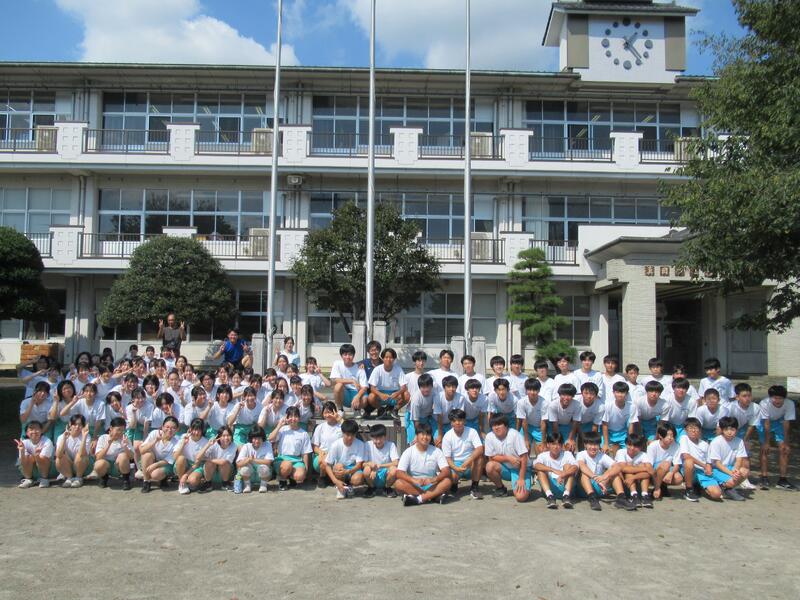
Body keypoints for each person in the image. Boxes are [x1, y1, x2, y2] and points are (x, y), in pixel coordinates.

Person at [394, 422, 452, 506]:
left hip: (432, 484)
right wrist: (414, 480)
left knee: (447, 481)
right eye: (422, 434)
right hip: (414, 484)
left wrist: (433, 479)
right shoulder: (408, 451)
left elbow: (446, 471)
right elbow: (399, 473)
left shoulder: (437, 451)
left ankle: (418, 499)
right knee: (398, 483)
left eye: (428, 434)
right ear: (416, 436)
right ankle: (433, 495)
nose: (425, 437)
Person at [576, 431, 630, 511]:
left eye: (596, 444)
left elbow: (617, 467)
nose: (593, 447)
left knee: (614, 473)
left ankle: (621, 498)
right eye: (590, 444)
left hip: (601, 486)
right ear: (585, 445)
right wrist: (595, 478)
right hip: (584, 489)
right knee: (583, 474)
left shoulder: (602, 455)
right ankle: (592, 498)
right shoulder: (581, 454)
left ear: (599, 445)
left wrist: (605, 476)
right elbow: (582, 466)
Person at [756, 385, 797, 490]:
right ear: (770, 397)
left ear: (784, 398)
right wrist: (766, 442)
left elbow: (786, 423)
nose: (777, 401)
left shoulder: (789, 404)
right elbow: (766, 423)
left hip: (779, 422)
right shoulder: (764, 403)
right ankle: (764, 477)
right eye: (775, 398)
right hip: (764, 422)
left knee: (784, 449)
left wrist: (786, 442)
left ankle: (782, 479)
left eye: (780, 398)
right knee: (764, 449)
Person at [484, 414, 531, 502]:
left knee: (521, 497)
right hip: (506, 468)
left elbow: (524, 457)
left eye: (499, 424)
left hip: (521, 468)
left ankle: (526, 484)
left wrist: (521, 478)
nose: (496, 428)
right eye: (494, 425)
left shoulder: (515, 435)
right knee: (489, 466)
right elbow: (491, 457)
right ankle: (501, 488)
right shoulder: (489, 436)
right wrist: (508, 458)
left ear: (506, 425)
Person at [441, 409, 484, 499]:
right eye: (454, 421)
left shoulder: (472, 431)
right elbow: (447, 458)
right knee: (449, 472)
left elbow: (480, 449)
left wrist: (468, 461)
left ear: (464, 421)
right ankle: (454, 485)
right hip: (455, 464)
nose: (457, 423)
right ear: (451, 423)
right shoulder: (447, 436)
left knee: (479, 458)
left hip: (470, 463)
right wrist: (456, 468)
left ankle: (474, 487)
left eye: (460, 420)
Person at [706, 416, 750, 501]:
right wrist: (731, 474)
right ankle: (724, 487)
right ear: (722, 430)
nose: (729, 432)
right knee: (731, 481)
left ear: (736, 430)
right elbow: (717, 463)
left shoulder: (739, 441)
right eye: (726, 430)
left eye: (732, 429)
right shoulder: (716, 441)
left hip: (730, 467)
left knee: (745, 471)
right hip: (716, 469)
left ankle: (728, 488)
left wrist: (736, 470)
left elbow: (739, 459)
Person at [269, 406, 313, 490]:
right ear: (287, 417)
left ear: (299, 418)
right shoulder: (282, 430)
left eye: (295, 416)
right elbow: (270, 438)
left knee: (300, 476)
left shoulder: (303, 434)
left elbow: (305, 453)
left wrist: (306, 469)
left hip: (297, 460)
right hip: (282, 459)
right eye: (290, 416)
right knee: (287, 466)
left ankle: (291, 477)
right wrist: (279, 425)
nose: (293, 419)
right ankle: (282, 479)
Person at [533, 431, 578, 509]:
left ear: (562, 445)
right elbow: (536, 465)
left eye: (559, 444)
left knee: (568, 466)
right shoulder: (543, 455)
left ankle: (566, 496)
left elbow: (576, 467)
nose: (556, 447)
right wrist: (553, 470)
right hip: (550, 486)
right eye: (553, 444)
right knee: (540, 471)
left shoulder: (567, 454)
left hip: (565, 485)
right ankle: (550, 497)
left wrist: (563, 474)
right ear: (548, 445)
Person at [324, 419, 366, 499]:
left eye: (353, 435)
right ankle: (340, 487)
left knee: (358, 479)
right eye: (347, 435)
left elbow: (359, 465)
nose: (350, 438)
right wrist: (335, 481)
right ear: (343, 433)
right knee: (339, 466)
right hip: (341, 468)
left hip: (353, 468)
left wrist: (348, 471)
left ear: (356, 434)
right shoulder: (335, 444)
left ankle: (350, 487)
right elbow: (327, 465)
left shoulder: (360, 444)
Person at [139, 416, 180, 493]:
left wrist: (155, 465)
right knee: (146, 454)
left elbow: (169, 460)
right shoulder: (154, 433)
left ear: (177, 429)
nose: (170, 430)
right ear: (162, 427)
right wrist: (155, 441)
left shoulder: (177, 441)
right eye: (167, 427)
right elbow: (142, 450)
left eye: (173, 428)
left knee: (155, 475)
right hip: (153, 459)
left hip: (166, 464)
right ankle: (146, 481)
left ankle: (164, 478)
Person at [92, 417, 133, 490]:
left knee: (123, 456)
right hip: (107, 465)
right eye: (118, 430)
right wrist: (109, 444)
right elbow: (98, 457)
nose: (120, 432)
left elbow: (131, 457)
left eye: (123, 430)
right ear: (111, 428)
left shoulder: (125, 439)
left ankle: (126, 480)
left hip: (118, 467)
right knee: (99, 464)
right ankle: (104, 478)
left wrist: (125, 447)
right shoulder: (103, 438)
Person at [615, 432, 654, 508]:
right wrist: (644, 468)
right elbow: (623, 469)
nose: (632, 448)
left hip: (635, 483)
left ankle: (645, 495)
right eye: (630, 445)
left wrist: (633, 477)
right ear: (626, 444)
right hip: (623, 482)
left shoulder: (643, 455)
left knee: (636, 467)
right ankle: (634, 495)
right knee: (630, 468)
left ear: (641, 447)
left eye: (636, 446)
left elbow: (651, 471)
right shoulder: (621, 452)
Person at [365, 348, 407, 418]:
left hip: (394, 394)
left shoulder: (398, 369)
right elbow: (372, 388)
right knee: (371, 397)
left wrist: (397, 393)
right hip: (381, 394)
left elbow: (404, 387)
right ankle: (381, 410)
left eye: (391, 357)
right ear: (382, 358)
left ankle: (395, 410)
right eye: (386, 357)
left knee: (406, 395)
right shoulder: (377, 369)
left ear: (394, 359)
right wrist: (380, 394)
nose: (388, 359)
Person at [646, 422, 683, 499]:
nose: (670, 438)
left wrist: (671, 473)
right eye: (668, 435)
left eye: (672, 435)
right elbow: (649, 465)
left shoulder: (676, 446)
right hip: (654, 471)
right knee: (666, 464)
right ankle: (657, 488)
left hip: (667, 469)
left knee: (679, 478)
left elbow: (677, 464)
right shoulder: (653, 446)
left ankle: (662, 486)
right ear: (660, 436)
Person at [173, 418, 210, 494]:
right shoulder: (184, 437)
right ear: (190, 429)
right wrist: (183, 443)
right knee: (180, 458)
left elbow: (197, 463)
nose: (196, 432)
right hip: (184, 463)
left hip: (197, 465)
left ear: (202, 430)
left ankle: (190, 480)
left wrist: (185, 475)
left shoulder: (205, 442)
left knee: (193, 481)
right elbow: (175, 457)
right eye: (194, 429)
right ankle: (181, 484)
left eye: (199, 430)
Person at [54, 415, 92, 488]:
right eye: (74, 424)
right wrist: (64, 439)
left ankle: (78, 478)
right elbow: (58, 455)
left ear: (83, 426)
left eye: (80, 425)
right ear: (70, 424)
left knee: (80, 455)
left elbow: (82, 453)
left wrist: (84, 436)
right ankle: (69, 478)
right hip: (68, 464)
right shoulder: (61, 436)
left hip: (81, 465)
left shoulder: (87, 436)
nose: (77, 427)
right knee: (59, 458)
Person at [311, 402, 343, 487]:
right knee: (324, 460)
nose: (327, 415)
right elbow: (315, 446)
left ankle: (332, 478)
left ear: (335, 412)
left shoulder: (341, 426)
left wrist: (339, 419)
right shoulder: (320, 427)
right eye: (325, 413)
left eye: (330, 412)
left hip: (338, 456)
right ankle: (322, 477)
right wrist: (321, 452)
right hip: (322, 455)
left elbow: (350, 430)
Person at [363, 423, 399, 498]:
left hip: (385, 473)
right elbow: (363, 463)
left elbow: (396, 462)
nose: (378, 441)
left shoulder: (391, 445)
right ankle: (371, 487)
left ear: (385, 437)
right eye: (375, 439)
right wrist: (370, 465)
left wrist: (379, 466)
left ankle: (387, 488)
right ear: (371, 438)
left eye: (381, 438)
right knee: (366, 469)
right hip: (372, 474)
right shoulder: (367, 444)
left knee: (394, 469)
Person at [15, 420, 55, 488]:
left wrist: (36, 456)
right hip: (32, 470)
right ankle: (28, 479)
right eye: (31, 429)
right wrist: (22, 451)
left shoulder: (47, 441)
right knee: (26, 457)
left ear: (41, 431)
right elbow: (23, 462)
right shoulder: (24, 443)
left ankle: (44, 479)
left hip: (49, 470)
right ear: (27, 433)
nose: (34, 431)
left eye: (37, 429)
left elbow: (44, 459)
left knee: (43, 458)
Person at [330, 343, 369, 412]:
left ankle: (357, 410)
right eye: (345, 354)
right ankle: (340, 410)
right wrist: (352, 381)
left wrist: (358, 396)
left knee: (365, 399)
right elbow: (335, 379)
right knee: (338, 386)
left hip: (356, 392)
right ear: (341, 355)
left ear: (353, 355)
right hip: (345, 393)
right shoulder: (337, 364)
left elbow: (365, 387)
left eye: (350, 354)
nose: (347, 357)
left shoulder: (359, 367)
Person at [236, 425, 274, 494]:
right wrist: (248, 460)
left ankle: (263, 485)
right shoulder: (246, 446)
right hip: (250, 475)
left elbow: (269, 462)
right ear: (251, 438)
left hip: (264, 474)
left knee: (264, 468)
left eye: (259, 438)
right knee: (244, 469)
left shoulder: (267, 444)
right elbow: (238, 463)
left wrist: (253, 460)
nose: (257, 441)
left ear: (263, 438)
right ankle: (247, 485)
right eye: (254, 438)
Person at [547, 383, 581, 452]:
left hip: (567, 426)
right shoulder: (553, 405)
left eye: (569, 395)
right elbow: (554, 425)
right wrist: (559, 442)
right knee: (556, 447)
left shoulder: (577, 405)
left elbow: (575, 423)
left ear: (573, 396)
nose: (566, 398)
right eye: (563, 395)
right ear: (559, 395)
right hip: (554, 427)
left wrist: (570, 439)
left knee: (570, 447)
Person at [602, 381, 633, 456]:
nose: (620, 395)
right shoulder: (608, 406)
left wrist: (630, 441)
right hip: (609, 433)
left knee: (629, 453)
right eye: (617, 392)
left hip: (623, 433)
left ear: (627, 394)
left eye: (622, 392)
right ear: (613, 393)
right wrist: (606, 443)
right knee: (603, 452)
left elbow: (631, 424)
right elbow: (605, 424)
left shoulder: (632, 406)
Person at [516, 378, 546, 454]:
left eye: (535, 390)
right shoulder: (521, 402)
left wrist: (543, 441)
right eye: (529, 390)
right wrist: (526, 440)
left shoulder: (544, 403)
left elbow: (543, 423)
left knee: (542, 452)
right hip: (526, 427)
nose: (532, 392)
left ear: (539, 390)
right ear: (526, 390)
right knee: (524, 450)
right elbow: (523, 421)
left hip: (539, 428)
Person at [433, 375, 465, 446]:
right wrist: (440, 435)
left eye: (454, 386)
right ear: (444, 387)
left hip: (451, 423)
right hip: (437, 422)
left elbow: (458, 416)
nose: (451, 389)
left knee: (453, 442)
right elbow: (439, 416)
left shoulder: (461, 398)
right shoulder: (438, 397)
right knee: (438, 443)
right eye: (449, 386)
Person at [406, 373, 439, 444]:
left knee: (437, 440)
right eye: (423, 387)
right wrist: (417, 434)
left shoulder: (435, 393)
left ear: (432, 386)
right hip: (414, 419)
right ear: (419, 387)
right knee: (415, 442)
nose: (426, 389)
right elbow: (416, 419)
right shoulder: (416, 399)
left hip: (428, 417)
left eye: (428, 386)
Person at [203, 426, 236, 490]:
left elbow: (223, 462)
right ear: (219, 437)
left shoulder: (233, 445)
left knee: (225, 463)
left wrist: (207, 459)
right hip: (212, 471)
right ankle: (208, 484)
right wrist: (208, 445)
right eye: (223, 436)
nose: (226, 438)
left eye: (228, 435)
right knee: (209, 463)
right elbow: (199, 457)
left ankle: (225, 484)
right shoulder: (213, 443)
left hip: (226, 472)